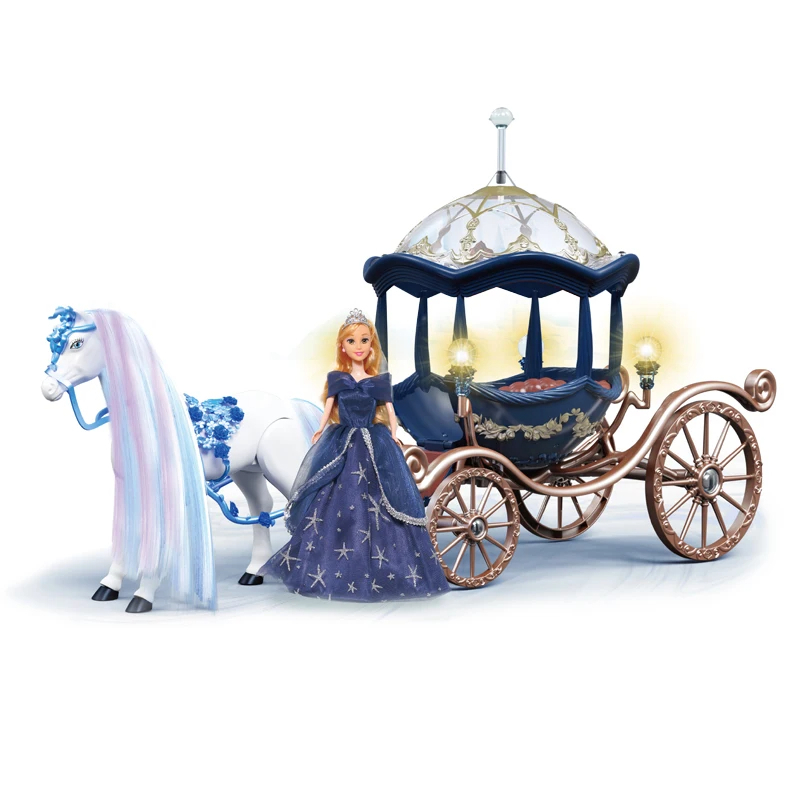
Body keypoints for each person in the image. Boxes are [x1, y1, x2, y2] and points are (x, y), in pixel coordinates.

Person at [260, 309, 450, 600]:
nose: (358, 346)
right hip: (345, 439)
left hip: (374, 440)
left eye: (364, 340)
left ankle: (387, 566)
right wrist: (320, 430)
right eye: (352, 341)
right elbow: (328, 408)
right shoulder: (338, 378)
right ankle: (333, 563)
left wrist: (394, 434)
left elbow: (390, 412)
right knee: (335, 495)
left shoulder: (378, 381)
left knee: (382, 496)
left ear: (371, 345)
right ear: (342, 346)